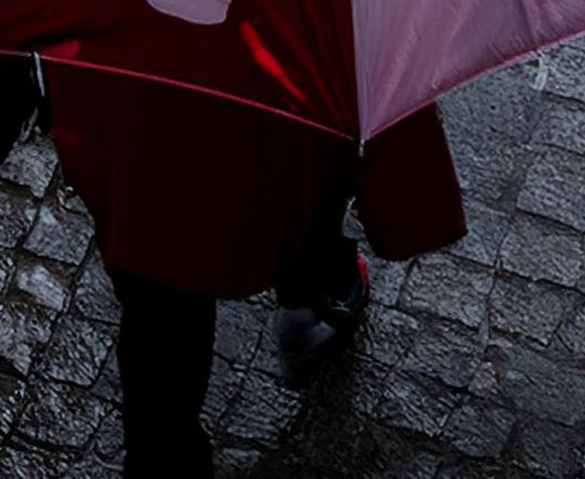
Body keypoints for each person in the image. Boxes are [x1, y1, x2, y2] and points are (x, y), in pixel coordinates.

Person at [45, 66, 466, 477]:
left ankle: (164, 455)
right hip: (271, 125)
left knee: (160, 311)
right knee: (308, 129)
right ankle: (315, 287)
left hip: (133, 136)